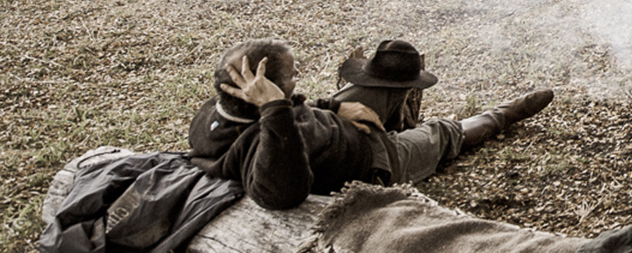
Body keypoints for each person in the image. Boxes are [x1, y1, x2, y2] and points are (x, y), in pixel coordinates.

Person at [188, 39, 554, 210]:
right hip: (378, 159)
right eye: (293, 76)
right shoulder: (265, 138)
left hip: (338, 124)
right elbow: (282, 194)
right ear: (263, 91)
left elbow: (295, 111)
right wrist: (276, 108)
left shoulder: (221, 111)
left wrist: (331, 106)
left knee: (378, 83)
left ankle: (400, 107)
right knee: (442, 131)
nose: (298, 79)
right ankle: (504, 113)